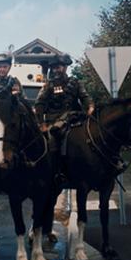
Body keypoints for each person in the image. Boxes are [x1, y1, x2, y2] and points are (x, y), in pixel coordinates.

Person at [34, 53, 94, 183]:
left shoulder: (75, 82)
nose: (57, 70)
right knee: (52, 141)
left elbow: (85, 97)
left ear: (65, 67)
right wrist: (41, 123)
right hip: (53, 121)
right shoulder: (48, 85)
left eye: (59, 67)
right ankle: (56, 171)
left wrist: (90, 106)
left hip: (74, 119)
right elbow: (39, 105)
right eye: (54, 67)